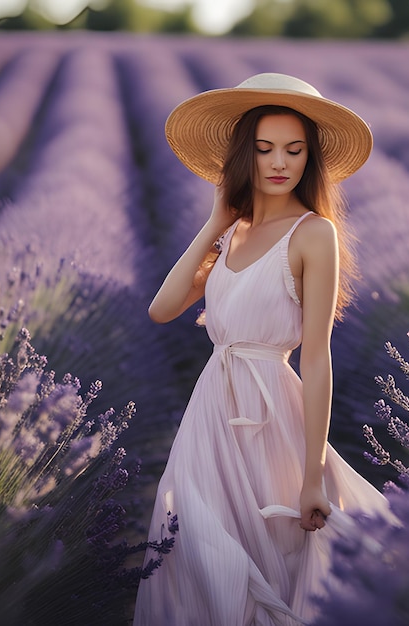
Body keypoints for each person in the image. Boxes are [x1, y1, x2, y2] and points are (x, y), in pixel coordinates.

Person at [133, 73, 394, 626]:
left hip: (271, 416)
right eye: (265, 149)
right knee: (198, 553)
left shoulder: (313, 233)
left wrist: (312, 473)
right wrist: (213, 223)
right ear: (242, 156)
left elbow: (317, 355)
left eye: (295, 150)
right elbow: (162, 308)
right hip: (210, 416)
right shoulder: (234, 232)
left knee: (270, 564)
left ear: (310, 159)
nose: (280, 162)